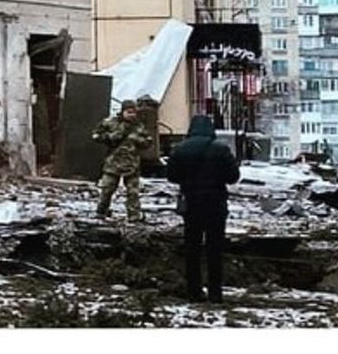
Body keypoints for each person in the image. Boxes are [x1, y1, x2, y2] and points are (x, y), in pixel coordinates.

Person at [165, 114, 241, 303]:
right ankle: (216, 294)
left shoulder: (180, 149)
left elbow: (172, 177)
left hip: (191, 204)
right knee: (215, 250)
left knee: (192, 249)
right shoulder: (221, 149)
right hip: (216, 203)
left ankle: (194, 292)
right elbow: (233, 177)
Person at [93, 101, 154, 221]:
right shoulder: (111, 123)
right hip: (113, 163)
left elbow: (148, 141)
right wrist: (111, 137)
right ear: (123, 111)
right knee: (107, 190)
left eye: (134, 112)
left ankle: (134, 215)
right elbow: (96, 135)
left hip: (132, 164)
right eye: (129, 112)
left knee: (133, 192)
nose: (131, 115)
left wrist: (138, 140)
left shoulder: (139, 126)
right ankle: (101, 212)